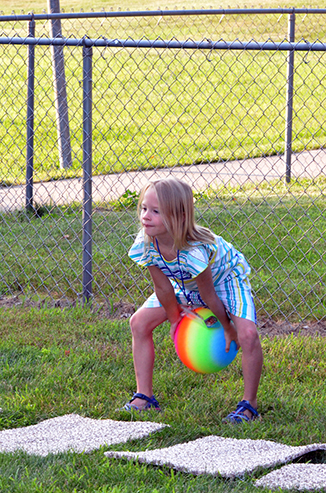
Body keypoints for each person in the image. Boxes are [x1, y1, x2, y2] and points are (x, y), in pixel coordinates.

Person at [123, 178, 263, 423]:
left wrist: (228, 328)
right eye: (144, 208)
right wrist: (175, 319)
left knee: (248, 334)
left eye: (156, 212)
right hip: (183, 282)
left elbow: (209, 295)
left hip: (225, 280)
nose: (145, 216)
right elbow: (163, 286)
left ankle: (248, 405)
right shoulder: (146, 243)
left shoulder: (195, 249)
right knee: (138, 323)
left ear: (179, 216)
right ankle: (144, 397)